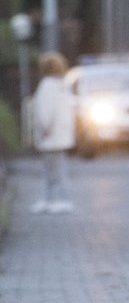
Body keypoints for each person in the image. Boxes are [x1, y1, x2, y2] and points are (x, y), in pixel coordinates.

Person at [31, 51, 75, 214]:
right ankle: (49, 199)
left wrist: (44, 129)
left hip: (50, 135)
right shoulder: (63, 85)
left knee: (52, 170)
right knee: (55, 169)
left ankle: (60, 199)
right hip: (62, 134)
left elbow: (45, 111)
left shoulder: (46, 85)